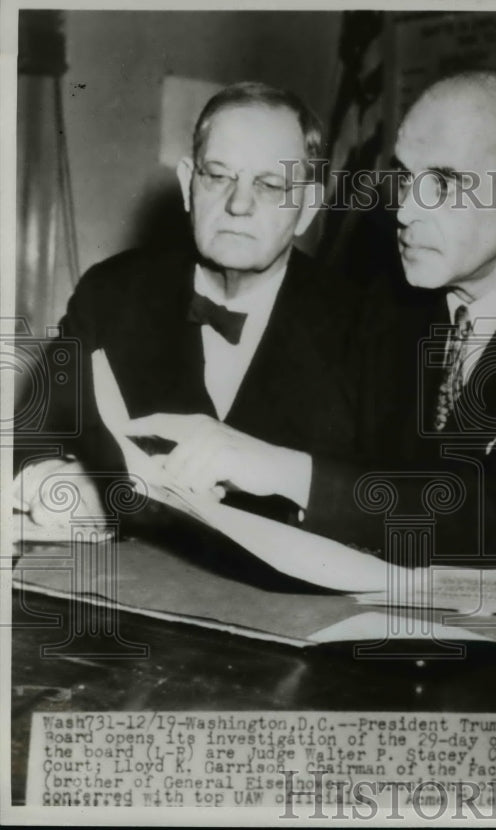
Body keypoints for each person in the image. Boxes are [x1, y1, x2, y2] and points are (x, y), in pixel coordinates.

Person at [128, 70, 496, 567]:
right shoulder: (387, 298)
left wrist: (286, 472)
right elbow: (320, 450)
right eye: (404, 177)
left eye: (442, 183)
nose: (404, 211)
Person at [15, 82, 352, 527]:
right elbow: (29, 437)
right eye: (218, 176)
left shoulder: (361, 321)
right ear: (189, 184)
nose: (239, 204)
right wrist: (66, 482)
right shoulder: (112, 294)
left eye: (270, 184)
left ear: (308, 206)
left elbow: (402, 495)